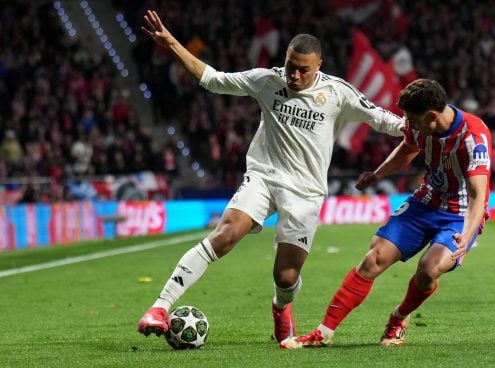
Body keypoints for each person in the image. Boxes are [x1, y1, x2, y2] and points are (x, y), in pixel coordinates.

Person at [136, 10, 405, 345]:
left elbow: (381, 118)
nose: (294, 75)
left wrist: (416, 127)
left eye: (303, 69)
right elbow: (212, 79)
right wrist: (171, 43)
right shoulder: (268, 80)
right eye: (290, 65)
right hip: (263, 178)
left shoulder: (338, 93)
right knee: (226, 234)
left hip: (305, 194)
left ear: (318, 65)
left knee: (286, 276)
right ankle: (160, 307)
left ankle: (281, 307)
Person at [280, 78, 492, 348]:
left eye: (412, 120)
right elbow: (408, 148)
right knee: (373, 259)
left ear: (431, 116)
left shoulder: (473, 137)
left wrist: (467, 233)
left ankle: (399, 317)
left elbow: (477, 195)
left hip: (460, 214)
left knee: (429, 269)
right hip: (426, 201)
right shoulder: (420, 125)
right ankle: (324, 332)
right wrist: (377, 174)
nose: (407, 125)